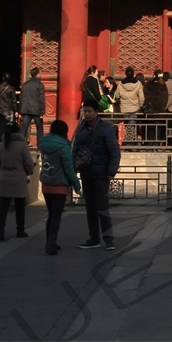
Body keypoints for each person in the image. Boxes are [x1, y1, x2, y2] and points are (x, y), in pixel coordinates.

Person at [74, 106, 122, 251]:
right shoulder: (81, 129)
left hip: (101, 174)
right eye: (85, 111)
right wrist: (73, 167)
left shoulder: (105, 129)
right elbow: (75, 149)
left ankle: (108, 239)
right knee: (90, 208)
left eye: (90, 111)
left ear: (96, 112)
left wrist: (111, 171)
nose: (87, 114)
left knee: (102, 208)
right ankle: (93, 238)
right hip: (86, 172)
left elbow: (114, 151)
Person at [37, 118, 79, 254]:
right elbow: (68, 168)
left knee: (51, 214)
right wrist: (77, 185)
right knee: (56, 216)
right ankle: (50, 244)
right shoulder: (64, 146)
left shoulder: (43, 143)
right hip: (60, 185)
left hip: (46, 183)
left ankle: (50, 242)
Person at [0, 123, 34, 240]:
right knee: (20, 206)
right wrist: (29, 171)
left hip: (4, 178)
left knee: (3, 207)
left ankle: (0, 231)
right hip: (18, 177)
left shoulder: (1, 145)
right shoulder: (22, 145)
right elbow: (28, 162)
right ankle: (20, 230)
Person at [17, 67, 46, 144]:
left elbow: (21, 98)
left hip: (26, 109)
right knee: (39, 128)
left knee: (24, 128)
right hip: (36, 109)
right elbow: (41, 99)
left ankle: (20, 145)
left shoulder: (25, 85)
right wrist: (42, 112)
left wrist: (20, 111)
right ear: (37, 74)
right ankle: (40, 149)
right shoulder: (40, 85)